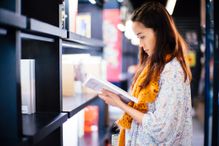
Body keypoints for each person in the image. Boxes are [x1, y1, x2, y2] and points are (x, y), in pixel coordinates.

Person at [98, 1, 193, 146]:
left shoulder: (172, 70)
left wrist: (120, 105)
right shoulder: (153, 65)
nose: (141, 45)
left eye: (142, 36)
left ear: (159, 32)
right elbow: (150, 107)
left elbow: (160, 129)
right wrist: (122, 99)